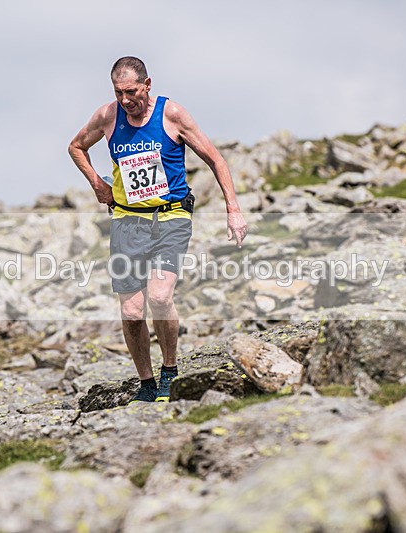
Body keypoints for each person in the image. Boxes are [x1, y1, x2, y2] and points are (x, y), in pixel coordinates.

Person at [68, 56, 247, 403]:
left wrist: (233, 210)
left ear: (147, 85)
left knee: (161, 296)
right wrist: (96, 184)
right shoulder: (107, 116)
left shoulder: (172, 115)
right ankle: (147, 384)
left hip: (171, 217)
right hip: (126, 221)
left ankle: (169, 370)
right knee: (132, 313)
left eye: (131, 91)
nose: (125, 100)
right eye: (119, 93)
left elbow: (215, 159)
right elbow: (76, 147)